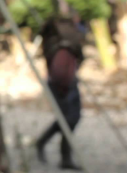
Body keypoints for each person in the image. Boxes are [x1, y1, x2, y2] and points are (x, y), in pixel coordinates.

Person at [34, 17, 85, 171]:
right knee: (68, 120)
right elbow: (58, 73)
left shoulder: (66, 47)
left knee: (70, 119)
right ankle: (49, 146)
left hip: (67, 85)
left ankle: (62, 155)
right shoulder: (62, 49)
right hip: (63, 87)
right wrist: (64, 88)